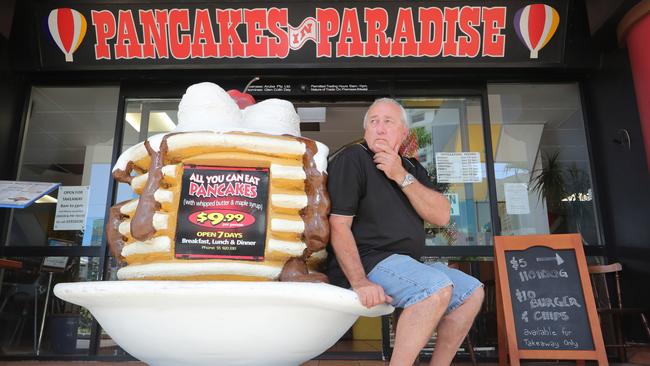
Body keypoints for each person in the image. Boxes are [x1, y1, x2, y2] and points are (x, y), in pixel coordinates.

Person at [326, 98, 484, 366]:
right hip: (369, 260)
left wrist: (400, 175)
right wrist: (360, 281)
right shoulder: (354, 159)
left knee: (471, 291)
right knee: (435, 288)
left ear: (403, 133)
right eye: (373, 122)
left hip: (406, 264)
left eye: (388, 122)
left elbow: (442, 214)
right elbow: (339, 225)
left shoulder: (411, 168)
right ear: (366, 131)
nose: (379, 128)